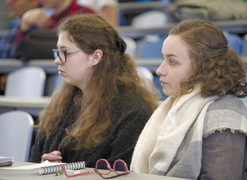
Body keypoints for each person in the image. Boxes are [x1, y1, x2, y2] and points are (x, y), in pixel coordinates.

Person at [130, 20, 247, 179]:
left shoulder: (224, 119)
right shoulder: (174, 106)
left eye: (172, 62)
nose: (159, 70)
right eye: (163, 59)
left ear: (204, 68)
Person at [29, 14, 159, 168]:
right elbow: (34, 159)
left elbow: (120, 174)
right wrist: (42, 166)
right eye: (57, 52)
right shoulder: (63, 102)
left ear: (95, 57)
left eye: (65, 52)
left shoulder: (132, 113)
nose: (57, 60)